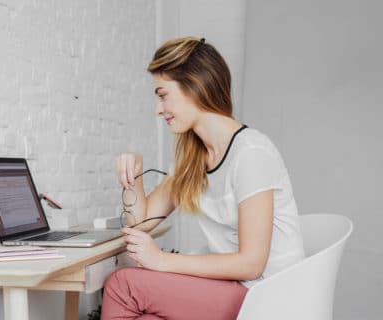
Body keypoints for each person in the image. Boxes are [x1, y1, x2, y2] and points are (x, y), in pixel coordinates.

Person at [101, 37, 305, 320]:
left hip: (265, 295)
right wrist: (132, 176)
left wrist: (161, 260)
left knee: (123, 285)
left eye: (162, 95)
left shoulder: (251, 153)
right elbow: (141, 224)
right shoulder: (193, 158)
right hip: (235, 288)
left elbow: (252, 264)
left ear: (195, 86)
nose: (157, 110)